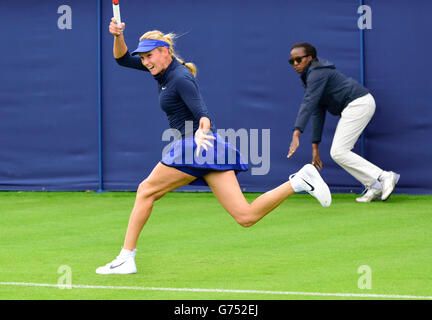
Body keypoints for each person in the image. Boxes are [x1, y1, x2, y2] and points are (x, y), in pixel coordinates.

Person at [96, 20, 332, 275]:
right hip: (209, 151)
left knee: (145, 191)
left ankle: (125, 258)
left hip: (195, 146)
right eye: (142, 58)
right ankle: (298, 182)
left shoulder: (180, 78)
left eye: (149, 56)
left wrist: (200, 133)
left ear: (165, 50)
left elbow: (203, 114)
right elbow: (121, 59)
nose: (145, 62)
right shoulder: (162, 71)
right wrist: (118, 36)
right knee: (246, 217)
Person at [287, 42, 400, 203]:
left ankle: (384, 176)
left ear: (309, 58)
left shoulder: (317, 73)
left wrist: (297, 132)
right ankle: (374, 185)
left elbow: (309, 102)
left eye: (298, 60)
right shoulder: (310, 76)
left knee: (338, 152)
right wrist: (315, 146)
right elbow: (317, 110)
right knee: (339, 152)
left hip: (358, 103)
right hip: (356, 105)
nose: (295, 64)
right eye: (292, 61)